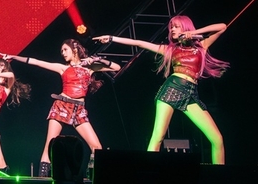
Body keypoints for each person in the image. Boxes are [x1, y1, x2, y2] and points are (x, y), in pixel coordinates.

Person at [92, 15, 229, 164]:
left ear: (185, 27)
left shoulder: (201, 46)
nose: (172, 30)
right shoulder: (170, 49)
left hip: (191, 94)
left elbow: (222, 26)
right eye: (171, 27)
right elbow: (139, 43)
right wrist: (111, 38)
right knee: (158, 137)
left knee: (217, 138)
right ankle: (148, 171)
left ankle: (218, 174)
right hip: (172, 89)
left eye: (176, 26)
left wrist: (194, 33)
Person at [1, 39, 121, 178]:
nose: (63, 53)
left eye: (65, 50)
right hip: (62, 106)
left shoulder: (90, 68)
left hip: (79, 110)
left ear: (74, 50)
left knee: (97, 147)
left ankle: (94, 180)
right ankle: (42, 180)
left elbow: (116, 67)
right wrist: (14, 57)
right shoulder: (63, 68)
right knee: (50, 145)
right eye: (61, 51)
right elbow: (37, 62)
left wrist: (98, 59)